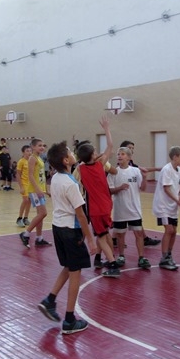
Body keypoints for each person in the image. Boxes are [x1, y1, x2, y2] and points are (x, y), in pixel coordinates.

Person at [37, 141, 97, 334]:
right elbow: (81, 214)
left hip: (58, 228)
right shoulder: (70, 184)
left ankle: (50, 300)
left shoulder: (55, 178)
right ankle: (70, 320)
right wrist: (90, 239)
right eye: (70, 152)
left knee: (69, 266)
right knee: (75, 274)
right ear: (65, 160)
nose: (73, 154)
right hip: (71, 230)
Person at [76, 116, 120, 277]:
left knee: (101, 238)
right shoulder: (100, 164)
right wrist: (106, 128)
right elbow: (110, 145)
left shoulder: (81, 169)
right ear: (93, 155)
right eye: (94, 151)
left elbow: (80, 164)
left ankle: (113, 264)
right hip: (107, 206)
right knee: (106, 234)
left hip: (95, 210)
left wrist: (90, 156)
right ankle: (111, 259)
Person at [107, 147, 151, 269]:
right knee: (120, 235)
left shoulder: (136, 171)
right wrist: (120, 188)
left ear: (129, 157)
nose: (119, 156)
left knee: (139, 233)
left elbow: (143, 188)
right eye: (118, 154)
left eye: (123, 154)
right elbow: (109, 190)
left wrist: (145, 177)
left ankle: (141, 257)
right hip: (120, 209)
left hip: (134, 209)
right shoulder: (113, 172)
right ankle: (121, 256)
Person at [117, 140, 160, 247]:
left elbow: (142, 170)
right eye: (129, 147)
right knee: (121, 224)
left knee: (131, 223)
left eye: (132, 148)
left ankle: (143, 239)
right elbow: (142, 169)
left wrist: (156, 169)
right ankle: (119, 242)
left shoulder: (131, 165)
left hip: (131, 202)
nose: (132, 150)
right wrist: (157, 168)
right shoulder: (120, 168)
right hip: (122, 201)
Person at [153, 146, 180, 271]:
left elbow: (179, 188)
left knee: (174, 231)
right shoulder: (167, 170)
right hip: (163, 205)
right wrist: (178, 201)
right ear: (175, 157)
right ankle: (164, 259)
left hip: (172, 206)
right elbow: (166, 189)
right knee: (169, 230)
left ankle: (169, 254)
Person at [19, 138, 51, 248]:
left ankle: (39, 238)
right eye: (39, 145)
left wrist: (46, 189)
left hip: (39, 190)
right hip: (34, 191)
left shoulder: (39, 158)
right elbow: (30, 175)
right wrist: (37, 189)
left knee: (40, 215)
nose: (42, 147)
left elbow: (42, 176)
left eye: (43, 145)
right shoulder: (32, 158)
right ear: (33, 147)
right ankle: (26, 234)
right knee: (43, 213)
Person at [15, 145, 32, 227]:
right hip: (24, 183)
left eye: (30, 151)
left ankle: (26, 218)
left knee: (29, 201)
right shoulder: (21, 161)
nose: (29, 152)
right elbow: (18, 174)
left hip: (31, 184)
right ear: (23, 152)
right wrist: (21, 187)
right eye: (27, 151)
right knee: (25, 200)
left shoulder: (32, 161)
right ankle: (19, 218)